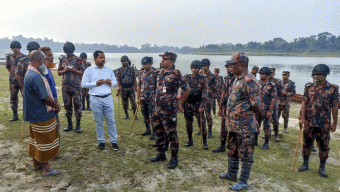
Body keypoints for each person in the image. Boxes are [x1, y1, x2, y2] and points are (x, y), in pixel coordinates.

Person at [219, 52, 260, 191]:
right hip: (233, 125)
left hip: (245, 126)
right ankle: (231, 174)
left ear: (242, 64)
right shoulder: (238, 79)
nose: (231, 66)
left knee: (246, 154)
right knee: (232, 150)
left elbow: (256, 106)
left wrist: (249, 119)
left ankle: (243, 181)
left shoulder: (249, 81)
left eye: (233, 64)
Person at [23, 50, 62, 176]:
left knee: (36, 140)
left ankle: (36, 163)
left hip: (34, 114)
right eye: (44, 60)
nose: (45, 62)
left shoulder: (30, 72)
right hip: (41, 114)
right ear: (39, 60)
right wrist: (56, 106)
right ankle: (46, 168)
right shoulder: (34, 76)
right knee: (45, 141)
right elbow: (45, 97)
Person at [150, 52, 190, 169]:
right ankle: (161, 154)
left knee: (172, 134)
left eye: (165, 59)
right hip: (158, 109)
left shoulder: (176, 74)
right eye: (162, 59)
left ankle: (174, 158)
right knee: (159, 132)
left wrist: (180, 103)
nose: (162, 61)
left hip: (169, 110)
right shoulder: (159, 73)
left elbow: (187, 89)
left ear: (171, 62)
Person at [298, 64, 338, 178]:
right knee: (306, 144)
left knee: (324, 146)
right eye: (315, 74)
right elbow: (304, 103)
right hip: (309, 122)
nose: (316, 76)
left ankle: (322, 167)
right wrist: (302, 118)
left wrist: (335, 122)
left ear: (325, 75)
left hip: (324, 123)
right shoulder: (308, 87)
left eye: (319, 74)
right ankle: (305, 164)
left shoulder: (333, 89)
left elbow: (335, 106)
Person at [81, 50, 119, 150]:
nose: (103, 59)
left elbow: (115, 82)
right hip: (95, 99)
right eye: (101, 57)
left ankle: (114, 141)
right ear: (95, 59)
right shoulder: (89, 70)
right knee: (98, 121)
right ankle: (101, 141)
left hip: (107, 98)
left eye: (104, 57)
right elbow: (83, 84)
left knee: (111, 121)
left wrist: (111, 82)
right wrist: (95, 83)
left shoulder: (109, 69)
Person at [39, 46, 62, 159]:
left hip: (53, 101)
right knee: (51, 127)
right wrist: (53, 103)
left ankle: (54, 151)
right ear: (42, 57)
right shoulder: (42, 70)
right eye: (49, 56)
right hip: (48, 102)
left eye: (52, 55)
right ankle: (52, 152)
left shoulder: (47, 68)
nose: (52, 57)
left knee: (55, 127)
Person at [58, 42, 84, 133]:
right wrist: (65, 70)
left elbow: (81, 73)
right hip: (65, 86)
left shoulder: (78, 60)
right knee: (67, 105)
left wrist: (71, 69)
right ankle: (69, 125)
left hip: (76, 86)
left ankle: (78, 126)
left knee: (77, 105)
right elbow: (59, 72)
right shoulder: (62, 59)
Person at [183, 60, 208, 150]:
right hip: (188, 104)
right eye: (193, 68)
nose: (194, 70)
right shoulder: (187, 77)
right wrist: (181, 104)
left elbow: (205, 93)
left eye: (196, 68)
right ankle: (190, 140)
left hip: (198, 104)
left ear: (199, 69)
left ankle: (205, 142)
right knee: (188, 124)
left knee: (202, 124)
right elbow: (183, 91)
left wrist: (202, 105)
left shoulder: (203, 78)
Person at [213, 62, 235, 153]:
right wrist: (220, 107)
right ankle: (222, 146)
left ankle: (232, 147)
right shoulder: (226, 79)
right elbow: (223, 92)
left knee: (233, 128)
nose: (228, 69)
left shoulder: (239, 79)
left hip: (234, 109)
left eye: (230, 67)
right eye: (227, 67)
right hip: (225, 107)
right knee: (223, 127)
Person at [6, 40, 30, 121]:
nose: (14, 49)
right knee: (13, 97)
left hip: (23, 81)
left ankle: (28, 115)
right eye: (13, 48)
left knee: (26, 97)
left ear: (19, 48)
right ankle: (15, 115)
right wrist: (14, 75)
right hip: (13, 80)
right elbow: (8, 68)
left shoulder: (25, 57)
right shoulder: (9, 57)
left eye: (16, 47)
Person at [137, 56, 157, 139]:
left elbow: (158, 86)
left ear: (151, 64)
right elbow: (139, 86)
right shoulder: (141, 73)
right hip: (143, 98)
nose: (145, 66)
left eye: (146, 64)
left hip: (152, 98)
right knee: (145, 115)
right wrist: (138, 97)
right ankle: (148, 129)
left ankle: (154, 131)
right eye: (144, 64)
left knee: (152, 116)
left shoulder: (156, 73)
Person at [256, 67, 277, 149]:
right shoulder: (257, 83)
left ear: (268, 75)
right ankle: (255, 140)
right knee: (256, 125)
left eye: (263, 74)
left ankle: (266, 143)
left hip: (266, 109)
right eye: (260, 74)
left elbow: (273, 99)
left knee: (267, 127)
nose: (261, 75)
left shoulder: (271, 86)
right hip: (257, 109)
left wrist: (270, 110)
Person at [116, 55, 138, 119]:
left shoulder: (131, 69)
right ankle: (126, 114)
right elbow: (118, 80)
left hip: (131, 88)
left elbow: (134, 79)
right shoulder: (119, 70)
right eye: (123, 61)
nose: (124, 62)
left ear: (128, 61)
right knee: (124, 103)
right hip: (123, 88)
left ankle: (135, 115)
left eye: (125, 61)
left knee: (133, 102)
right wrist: (118, 87)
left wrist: (136, 87)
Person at [199, 58, 216, 138]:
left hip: (209, 99)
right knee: (200, 115)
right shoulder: (200, 75)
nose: (203, 68)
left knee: (208, 115)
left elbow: (215, 88)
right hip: (201, 98)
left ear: (208, 66)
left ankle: (209, 131)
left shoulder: (212, 76)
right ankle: (202, 129)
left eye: (204, 66)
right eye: (202, 66)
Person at [268, 68, 281, 140]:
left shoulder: (277, 81)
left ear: (274, 74)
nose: (270, 74)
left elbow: (280, 92)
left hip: (274, 103)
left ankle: (276, 135)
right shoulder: (264, 81)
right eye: (269, 73)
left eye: (272, 73)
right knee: (267, 120)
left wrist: (275, 99)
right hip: (266, 103)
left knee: (275, 119)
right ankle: (267, 133)